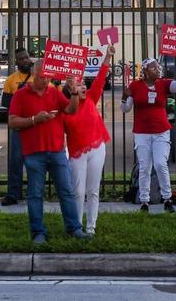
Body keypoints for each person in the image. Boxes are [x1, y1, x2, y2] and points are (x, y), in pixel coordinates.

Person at [7, 59, 90, 244]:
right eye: (43, 77)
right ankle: (38, 231)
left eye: (49, 77)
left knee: (66, 191)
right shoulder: (20, 95)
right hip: (34, 152)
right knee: (35, 194)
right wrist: (34, 119)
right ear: (34, 75)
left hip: (57, 150)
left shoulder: (54, 92)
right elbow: (12, 122)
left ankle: (74, 228)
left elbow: (71, 110)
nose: (46, 81)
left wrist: (74, 91)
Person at [121, 53, 176, 212]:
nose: (158, 69)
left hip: (161, 131)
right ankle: (144, 201)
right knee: (145, 167)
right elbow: (125, 109)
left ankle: (167, 198)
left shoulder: (163, 84)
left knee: (160, 164)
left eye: (158, 67)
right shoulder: (135, 86)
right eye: (154, 67)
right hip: (142, 132)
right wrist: (124, 97)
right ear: (145, 71)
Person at [63, 45, 113, 234]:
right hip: (76, 152)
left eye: (83, 83)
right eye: (78, 83)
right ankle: (76, 227)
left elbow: (101, 78)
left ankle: (91, 227)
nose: (83, 86)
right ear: (70, 88)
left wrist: (107, 56)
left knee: (93, 191)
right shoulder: (65, 107)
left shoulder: (92, 97)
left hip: (97, 148)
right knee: (78, 192)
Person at [0, 46, 33, 206]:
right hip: (19, 126)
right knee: (15, 161)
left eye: (27, 57)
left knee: (35, 162)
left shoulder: (39, 77)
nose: (25, 60)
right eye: (22, 58)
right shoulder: (11, 80)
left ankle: (34, 192)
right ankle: (14, 193)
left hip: (36, 125)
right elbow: (6, 104)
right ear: (17, 61)